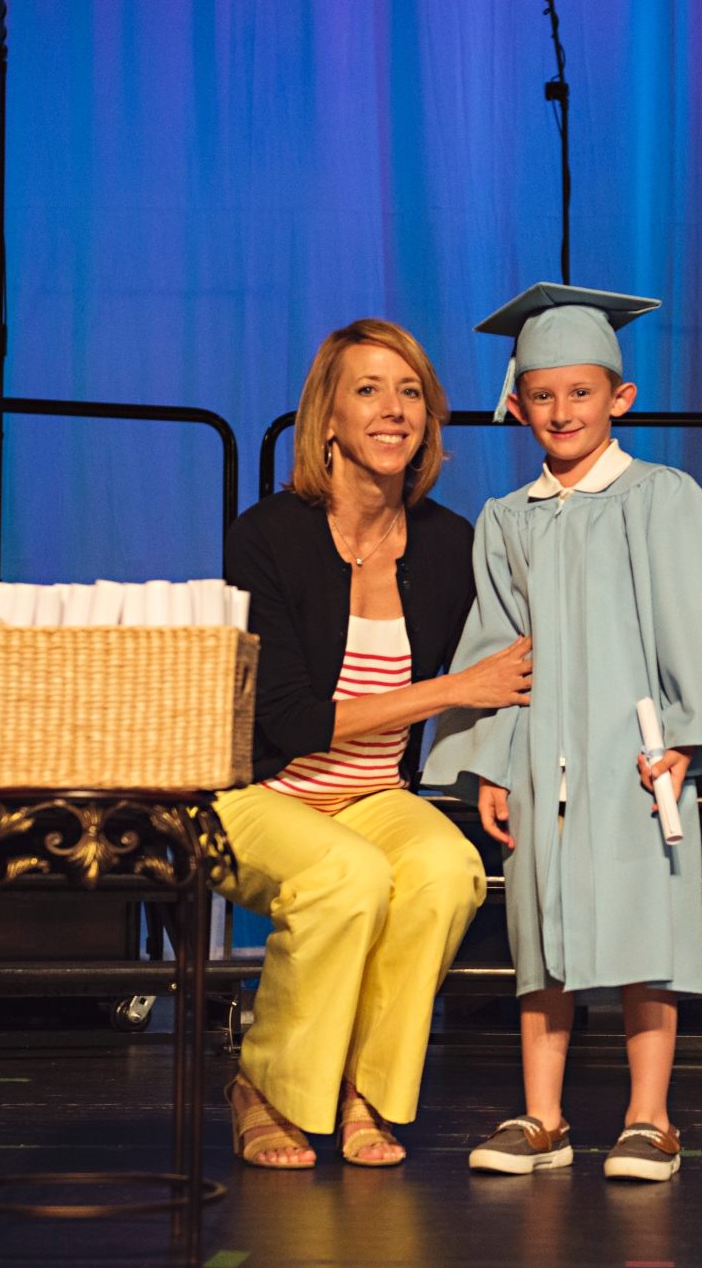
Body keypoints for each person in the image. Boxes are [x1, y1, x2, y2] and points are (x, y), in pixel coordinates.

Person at [426, 283, 702, 1181]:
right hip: (539, 756)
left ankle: (649, 1119)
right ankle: (542, 1118)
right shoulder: (506, 519)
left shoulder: (661, 498)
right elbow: (497, 648)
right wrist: (490, 763)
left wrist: (690, 740)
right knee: (539, 935)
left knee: (645, 931)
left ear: (619, 398)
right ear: (518, 404)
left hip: (638, 755)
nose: (562, 411)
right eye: (542, 395)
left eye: (581, 392)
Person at [216, 319, 534, 1169]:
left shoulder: (448, 543)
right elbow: (290, 720)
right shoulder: (266, 537)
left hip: (372, 795)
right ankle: (264, 1087)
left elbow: (506, 666)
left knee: (447, 869)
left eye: (410, 393)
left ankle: (365, 1091)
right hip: (258, 794)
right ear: (328, 417)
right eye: (368, 390)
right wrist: (453, 688)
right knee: (346, 876)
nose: (394, 409)